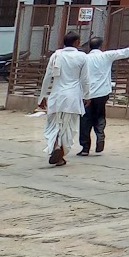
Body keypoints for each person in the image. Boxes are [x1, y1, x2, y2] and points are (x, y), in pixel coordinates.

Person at [78, 37, 129, 155]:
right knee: (100, 116)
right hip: (102, 93)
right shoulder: (106, 56)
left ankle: (85, 148)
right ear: (101, 46)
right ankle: (100, 135)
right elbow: (126, 52)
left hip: (87, 94)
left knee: (85, 119)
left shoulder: (84, 59)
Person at [37, 31, 90, 167]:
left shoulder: (56, 55)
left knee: (54, 125)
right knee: (67, 128)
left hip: (56, 96)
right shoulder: (82, 57)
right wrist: (87, 95)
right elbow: (85, 79)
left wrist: (42, 97)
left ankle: (55, 147)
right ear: (77, 42)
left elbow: (47, 77)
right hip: (72, 97)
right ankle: (60, 153)